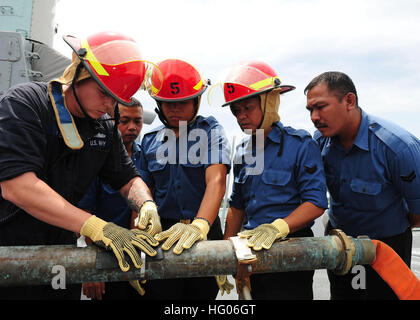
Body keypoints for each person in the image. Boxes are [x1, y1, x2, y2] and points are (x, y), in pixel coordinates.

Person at [0, 32, 161, 300]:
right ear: (79, 74)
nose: (110, 106)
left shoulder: (104, 129)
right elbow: (18, 186)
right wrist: (97, 227)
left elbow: (127, 177)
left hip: (61, 255)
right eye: (103, 93)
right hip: (9, 249)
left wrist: (146, 205)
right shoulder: (25, 104)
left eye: (116, 99)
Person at [217, 60, 328, 300]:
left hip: (292, 251)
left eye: (247, 107)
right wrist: (224, 253)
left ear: (269, 102)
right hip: (251, 253)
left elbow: (316, 202)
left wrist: (278, 227)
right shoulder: (242, 152)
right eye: (236, 111)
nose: (241, 116)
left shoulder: (301, 145)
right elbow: (237, 206)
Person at [304, 71, 420, 300]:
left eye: (321, 107)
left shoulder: (398, 148)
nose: (314, 117)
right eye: (310, 110)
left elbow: (418, 212)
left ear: (349, 101)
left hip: (386, 248)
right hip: (340, 245)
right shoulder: (319, 143)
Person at [139, 58, 231, 300]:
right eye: (167, 103)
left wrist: (200, 226)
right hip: (162, 234)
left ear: (196, 101)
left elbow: (217, 180)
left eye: (181, 102)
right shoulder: (149, 141)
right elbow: (142, 192)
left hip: (204, 230)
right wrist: (138, 239)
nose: (174, 109)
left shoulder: (211, 131)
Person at [79, 98, 150, 300]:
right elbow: (85, 214)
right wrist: (92, 265)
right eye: (124, 120)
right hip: (105, 252)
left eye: (137, 121)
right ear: (111, 120)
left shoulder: (144, 156)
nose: (132, 127)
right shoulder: (95, 157)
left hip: (137, 254)